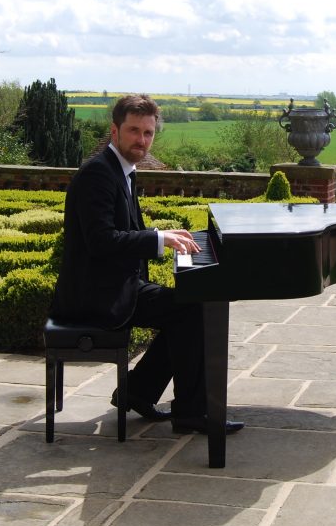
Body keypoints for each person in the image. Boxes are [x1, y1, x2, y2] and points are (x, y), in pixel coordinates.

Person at [51, 93, 242, 435]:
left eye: (148, 133)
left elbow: (126, 232)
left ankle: (138, 393)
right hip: (96, 296)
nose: (142, 140)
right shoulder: (98, 174)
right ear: (115, 131)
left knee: (188, 307)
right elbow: (102, 241)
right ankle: (191, 413)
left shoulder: (121, 170)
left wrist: (167, 237)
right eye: (134, 131)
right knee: (193, 310)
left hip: (112, 284)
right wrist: (159, 239)